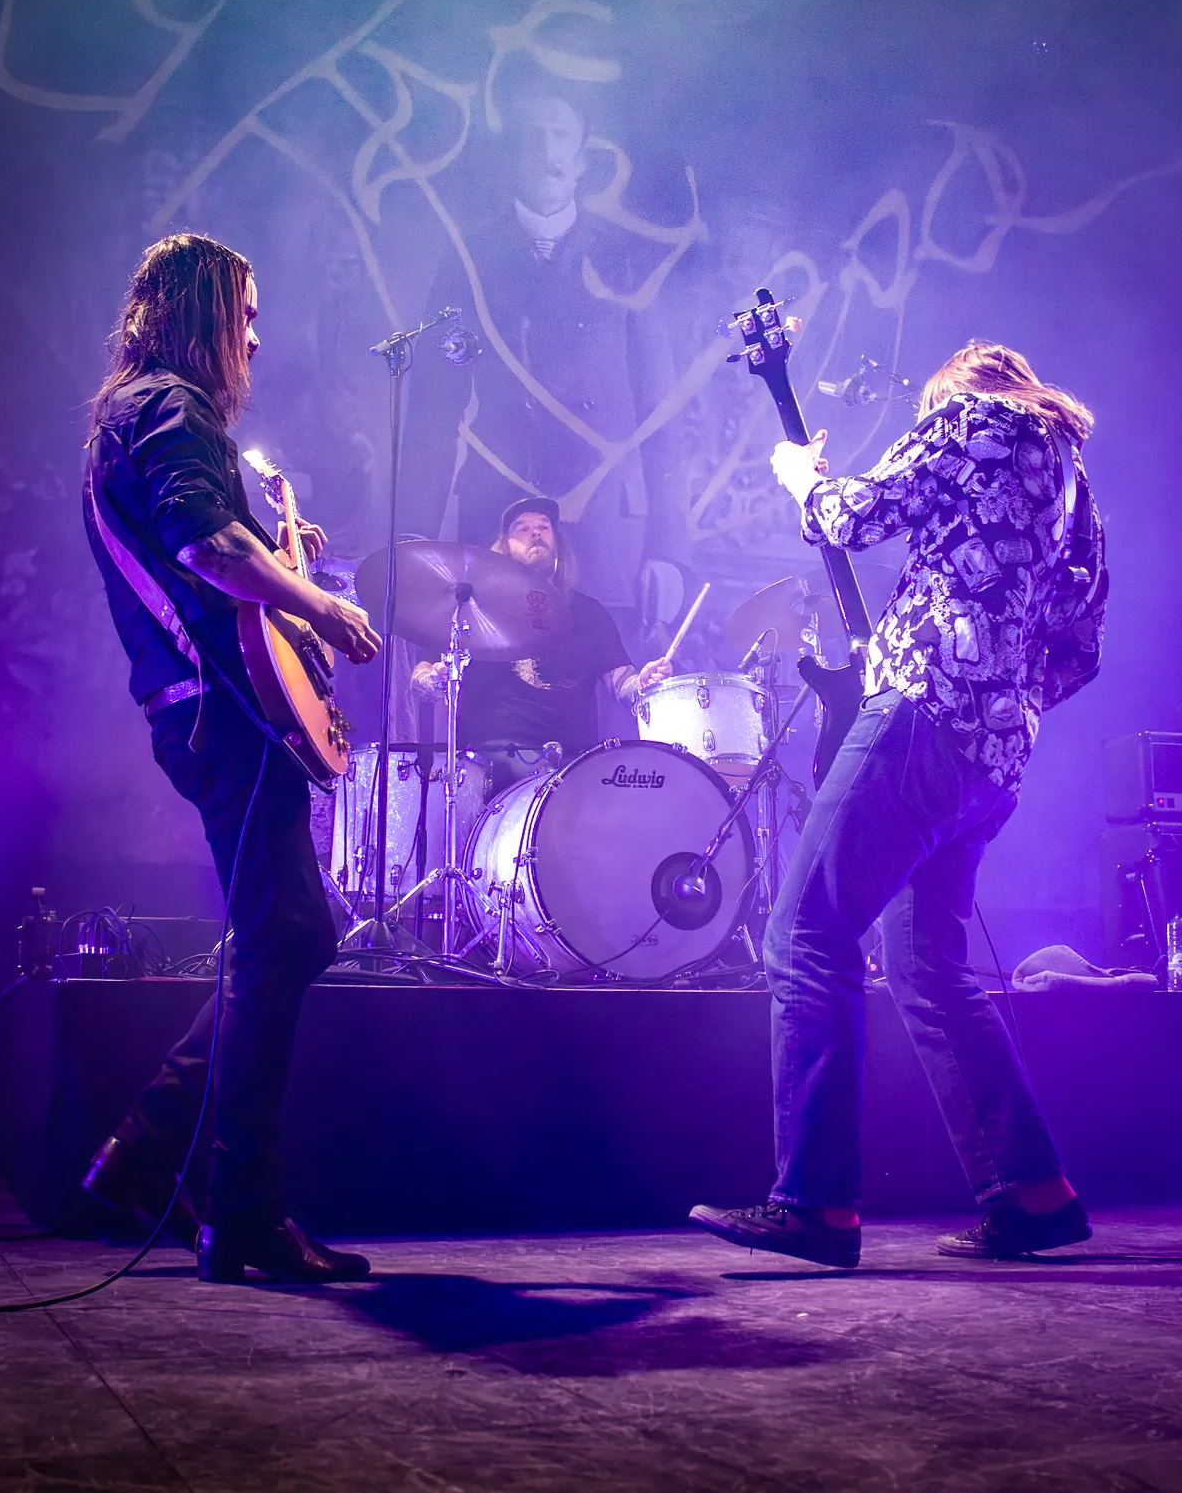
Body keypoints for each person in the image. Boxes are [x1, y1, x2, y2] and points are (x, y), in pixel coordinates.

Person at [690, 342, 1108, 1268]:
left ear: (957, 389)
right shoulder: (1073, 485)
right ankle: (1035, 1194)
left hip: (922, 716)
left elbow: (851, 514)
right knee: (927, 966)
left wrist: (802, 475)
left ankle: (816, 1204)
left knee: (805, 932)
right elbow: (1083, 645)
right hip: (995, 754)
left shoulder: (971, 418)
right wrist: (1005, 699)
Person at [80, 234, 383, 1284]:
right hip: (223, 713)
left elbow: (223, 548)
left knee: (285, 935)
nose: (256, 337)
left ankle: (143, 1157)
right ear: (200, 309)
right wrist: (322, 607)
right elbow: (206, 546)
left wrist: (284, 560)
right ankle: (239, 1213)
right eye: (244, 314)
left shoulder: (142, 412)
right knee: (285, 934)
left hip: (207, 710)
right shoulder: (172, 407)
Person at [399, 86, 687, 613]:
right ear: (510, 157)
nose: (547, 152)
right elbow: (432, 412)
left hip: (601, 525)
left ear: (581, 161)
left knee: (598, 661)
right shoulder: (469, 260)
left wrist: (668, 552)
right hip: (498, 516)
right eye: (532, 138)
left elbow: (661, 415)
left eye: (560, 137)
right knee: (493, 662)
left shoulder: (625, 260)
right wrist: (414, 542)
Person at [411, 497, 672, 791]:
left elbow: (620, 680)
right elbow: (422, 673)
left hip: (572, 766)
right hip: (490, 764)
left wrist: (642, 683)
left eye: (544, 527)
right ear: (504, 547)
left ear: (558, 543)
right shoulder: (473, 608)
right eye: (522, 528)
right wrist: (433, 681)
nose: (535, 533)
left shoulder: (589, 612)